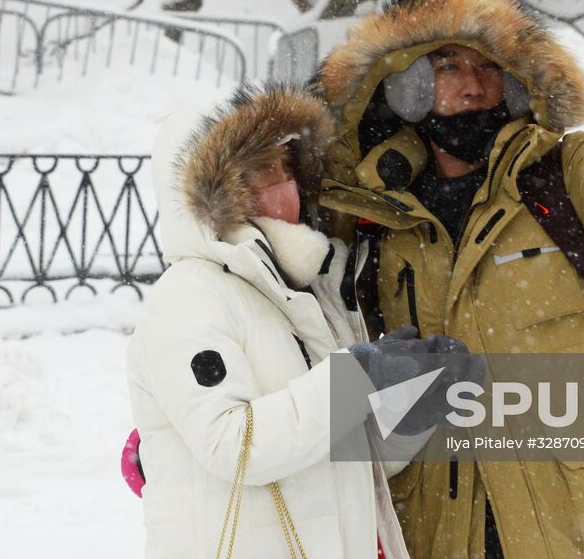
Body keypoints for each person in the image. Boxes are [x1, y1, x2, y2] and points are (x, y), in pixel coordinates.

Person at [316, 0, 584, 558]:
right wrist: (200, 423)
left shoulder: (561, 175)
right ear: (404, 85)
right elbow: (293, 327)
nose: (472, 85)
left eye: (487, 65)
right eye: (448, 65)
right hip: (437, 520)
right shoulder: (370, 211)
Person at [126, 84, 477, 559]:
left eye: (286, 165)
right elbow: (234, 444)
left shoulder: (310, 291)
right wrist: (358, 375)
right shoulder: (189, 296)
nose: (283, 184)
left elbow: (338, 447)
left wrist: (413, 407)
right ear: (209, 190)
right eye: (260, 169)